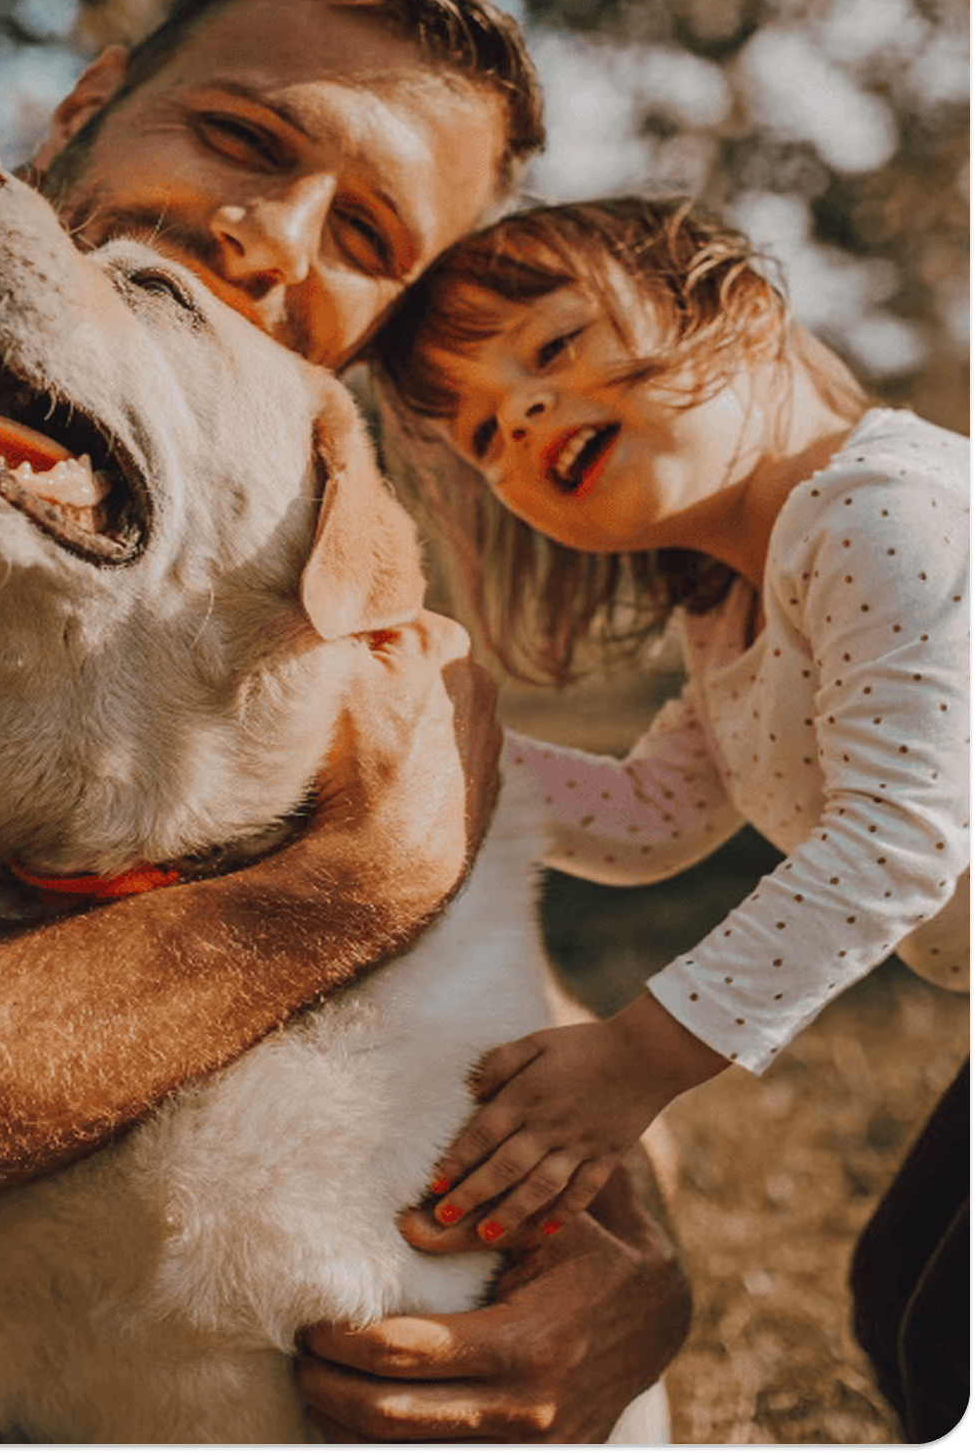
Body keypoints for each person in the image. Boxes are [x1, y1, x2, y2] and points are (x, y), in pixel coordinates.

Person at [0, 0, 689, 1445]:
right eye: (243, 136)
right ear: (88, 102)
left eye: (370, 232)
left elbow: (518, 1030)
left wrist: (633, 1277)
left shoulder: (315, 560)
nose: (268, 238)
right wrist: (345, 889)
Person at [374, 196, 970, 1439]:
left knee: (955, 1335)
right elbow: (651, 815)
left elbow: (896, 839)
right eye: (483, 428)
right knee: (897, 1300)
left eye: (549, 347)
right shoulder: (732, 601)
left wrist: (643, 1056)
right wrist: (423, 728)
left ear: (733, 307)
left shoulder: (879, 513)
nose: (522, 411)